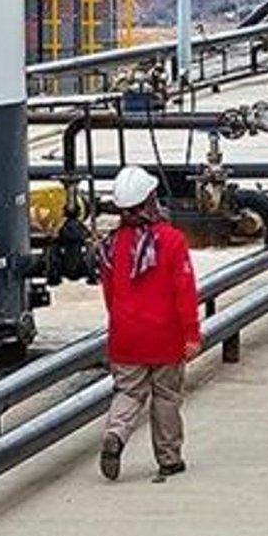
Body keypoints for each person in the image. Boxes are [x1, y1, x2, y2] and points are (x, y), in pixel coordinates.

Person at [98, 166, 201, 483]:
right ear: (151, 199)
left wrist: (119, 322)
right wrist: (191, 334)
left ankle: (116, 433)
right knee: (166, 396)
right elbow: (184, 291)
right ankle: (169, 459)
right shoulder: (171, 241)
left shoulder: (110, 245)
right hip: (165, 336)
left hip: (126, 336)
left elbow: (109, 294)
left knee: (128, 392)